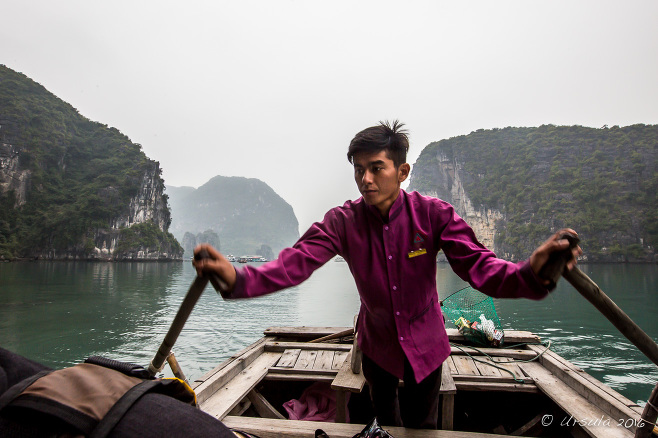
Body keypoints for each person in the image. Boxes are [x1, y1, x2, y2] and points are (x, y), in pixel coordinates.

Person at [193, 120, 582, 429]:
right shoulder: (342, 222)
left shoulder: (433, 215)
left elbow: (480, 267)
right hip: (377, 344)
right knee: (385, 420)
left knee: (421, 424)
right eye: (359, 170)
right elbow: (296, 263)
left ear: (402, 171)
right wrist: (240, 279)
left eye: (376, 168)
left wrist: (531, 275)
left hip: (426, 347)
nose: (366, 179)